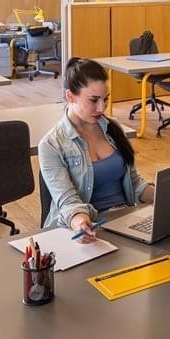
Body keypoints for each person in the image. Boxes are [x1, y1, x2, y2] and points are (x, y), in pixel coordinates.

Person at [39, 58, 154, 241]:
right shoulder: (51, 145)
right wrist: (81, 223)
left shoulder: (112, 130)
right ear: (70, 96)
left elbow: (134, 184)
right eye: (93, 100)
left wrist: (164, 195)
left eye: (105, 99)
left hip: (125, 221)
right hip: (87, 229)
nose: (101, 108)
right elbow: (68, 202)